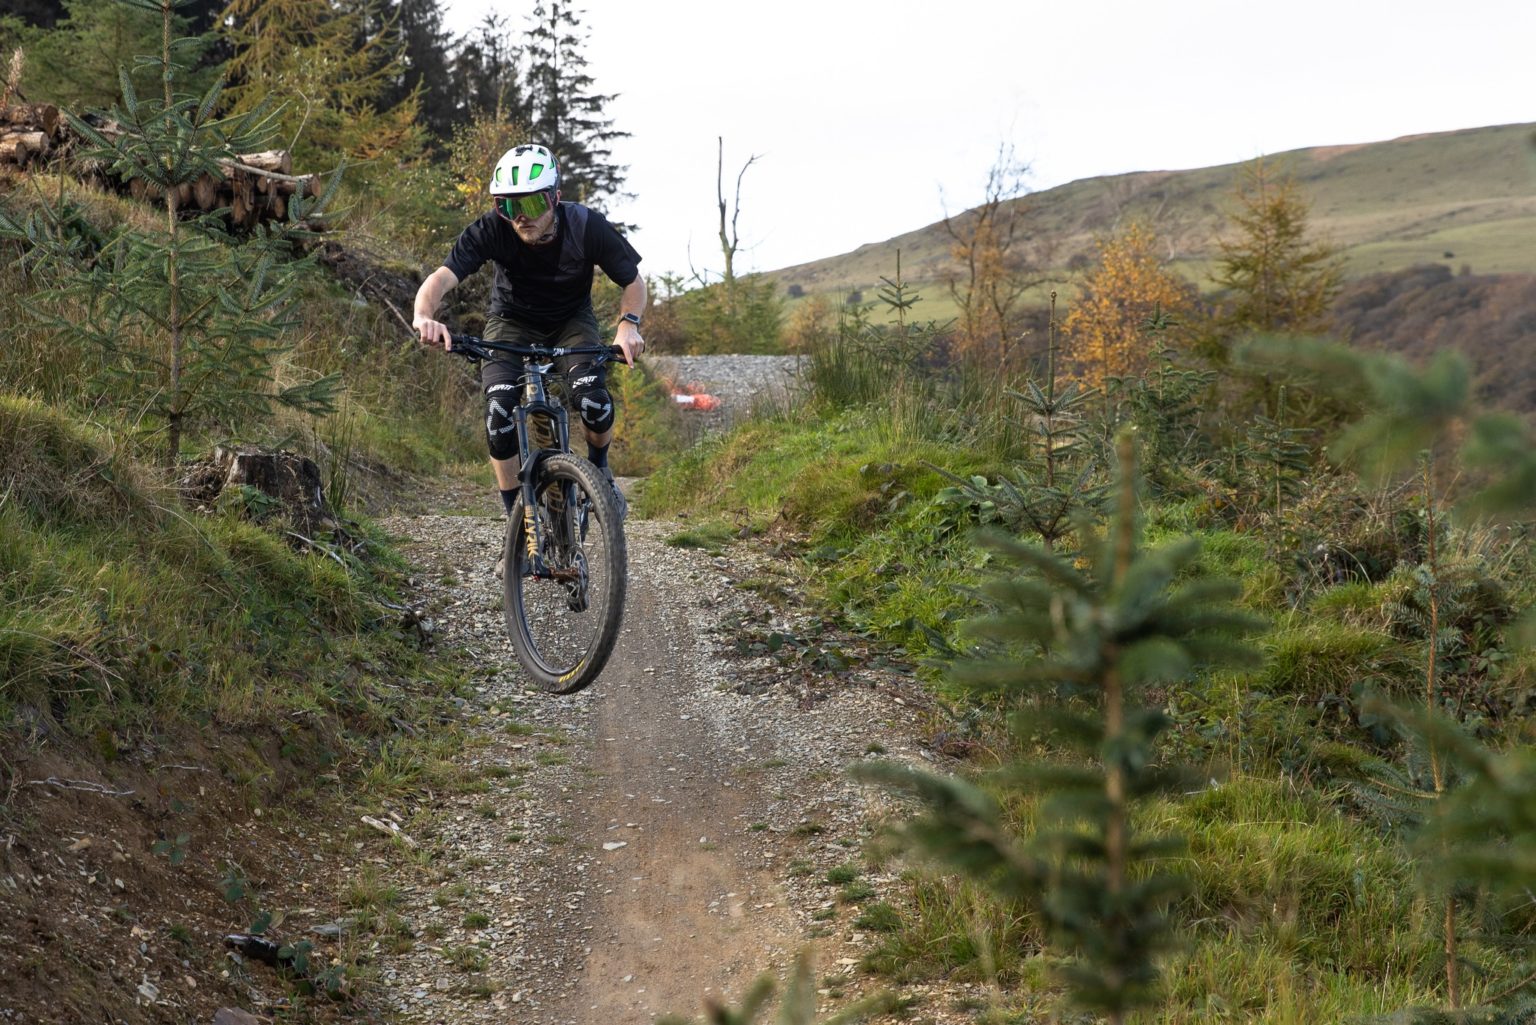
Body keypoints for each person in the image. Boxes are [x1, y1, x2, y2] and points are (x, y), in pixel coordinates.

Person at [413, 143, 646, 549]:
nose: (521, 215)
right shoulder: (492, 229)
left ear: (555, 196)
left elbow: (633, 282)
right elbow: (442, 278)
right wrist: (424, 316)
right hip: (510, 324)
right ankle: (516, 529)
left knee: (592, 399)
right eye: (508, 205)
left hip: (570, 322)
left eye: (535, 201)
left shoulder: (587, 226)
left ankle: (601, 470)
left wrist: (628, 325)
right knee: (498, 416)